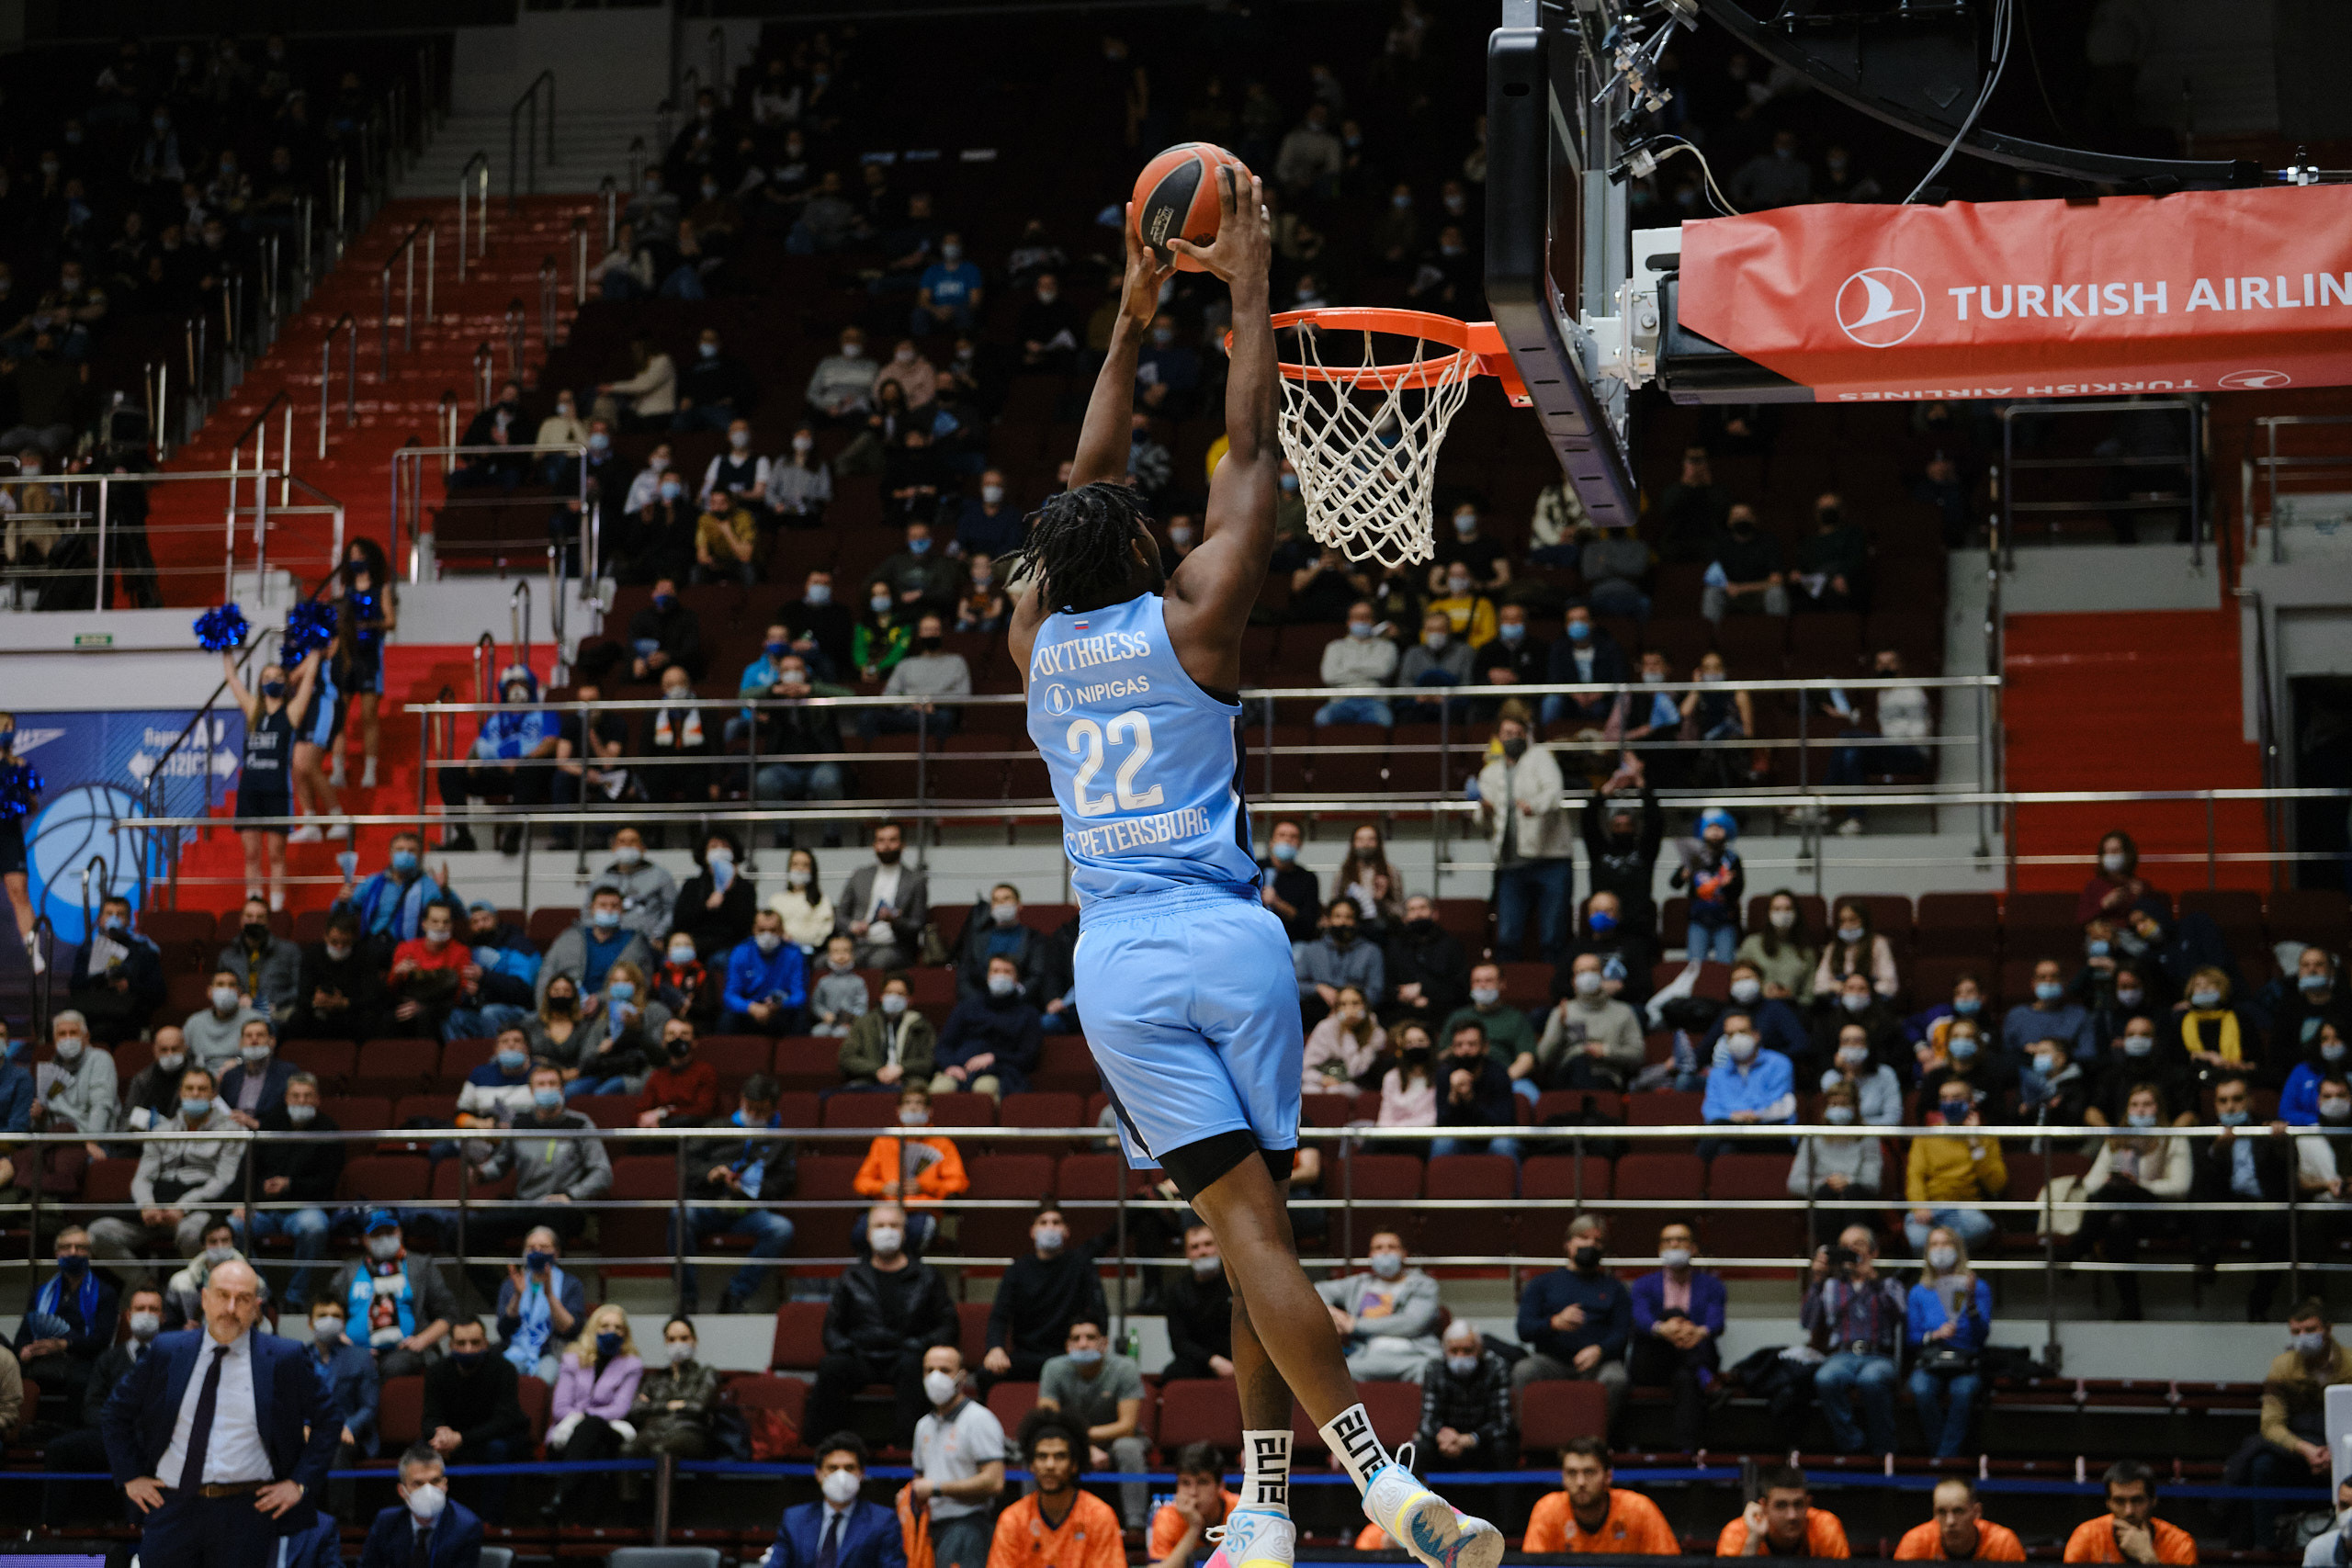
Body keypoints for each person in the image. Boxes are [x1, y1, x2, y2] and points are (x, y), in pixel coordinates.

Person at [1002, 169, 1495, 1568]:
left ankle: (1272, 1508)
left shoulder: (1033, 650)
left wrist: (1127, 318)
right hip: (1229, 941)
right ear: (1146, 549)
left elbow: (1078, 491)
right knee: (1264, 1235)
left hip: (1116, 960)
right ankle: (1367, 1481)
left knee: (1243, 1233)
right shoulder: (1198, 619)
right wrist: (1251, 281)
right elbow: (1253, 439)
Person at [98, 1258, 339, 1568]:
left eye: (243, 1299)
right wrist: (130, 1476)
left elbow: (329, 1420)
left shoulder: (284, 1357)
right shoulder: (167, 1350)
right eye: (223, 1295)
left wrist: (298, 1483)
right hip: (173, 1505)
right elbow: (115, 1412)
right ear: (205, 1299)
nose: (231, 1307)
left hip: (246, 1511)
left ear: (257, 1307)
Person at [810, 1201, 959, 1446]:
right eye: (879, 1225)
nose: (886, 1231)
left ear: (904, 1232)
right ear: (868, 1234)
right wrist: (845, 1347)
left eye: (893, 1225)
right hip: (860, 1356)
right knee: (831, 1367)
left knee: (914, 1367)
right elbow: (832, 1328)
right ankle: (825, 1448)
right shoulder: (851, 1276)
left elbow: (948, 1325)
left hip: (906, 1356)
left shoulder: (927, 1276)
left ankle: (907, 1450)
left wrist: (922, 1345)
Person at [87, 1066, 241, 1263]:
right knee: (98, 1232)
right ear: (181, 1093)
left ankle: (192, 1282)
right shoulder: (162, 1130)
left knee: (193, 1233)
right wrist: (147, 1205)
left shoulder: (231, 1131)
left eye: (202, 1089)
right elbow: (143, 1177)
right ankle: (143, 1280)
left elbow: (223, 1180)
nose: (195, 1094)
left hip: (198, 1208)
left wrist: (183, 1207)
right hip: (156, 1207)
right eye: (189, 1088)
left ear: (213, 1094)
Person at [677, 1074, 797, 1313]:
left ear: (773, 1108)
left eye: (760, 1110)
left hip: (749, 1211)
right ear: (741, 1100)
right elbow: (686, 1165)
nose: (753, 1114)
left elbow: (784, 1183)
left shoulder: (781, 1140)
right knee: (680, 1215)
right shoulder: (716, 1128)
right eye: (749, 1107)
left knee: (781, 1229)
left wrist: (751, 1188)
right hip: (710, 1205)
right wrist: (710, 1173)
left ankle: (735, 1294)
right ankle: (687, 1299)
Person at [2072, 1083, 2192, 1319]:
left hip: (2160, 1214)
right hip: (2124, 1217)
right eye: (2135, 1105)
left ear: (2159, 1108)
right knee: (2117, 1222)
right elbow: (2090, 1184)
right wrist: (2112, 1182)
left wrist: (2137, 1186)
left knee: (2120, 1191)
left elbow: (2180, 1187)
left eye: (2147, 1104)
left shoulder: (2173, 1138)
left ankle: (2078, 1245)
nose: (2141, 1110)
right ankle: (2131, 1305)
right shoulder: (2117, 1140)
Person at [2244, 1300, 2352, 1548]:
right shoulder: (2281, 1367)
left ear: (2328, 1329)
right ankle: (2267, 1548)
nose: (2303, 1337)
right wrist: (2307, 1450)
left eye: (2310, 1330)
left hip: (2347, 1450)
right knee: (2262, 1466)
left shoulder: (2350, 1363)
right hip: (2300, 1449)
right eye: (2296, 1331)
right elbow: (2271, 1424)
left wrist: (2339, 1453)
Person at [473, 1064, 612, 1257]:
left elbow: (603, 1173)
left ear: (562, 1090)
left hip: (563, 1209)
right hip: (525, 1207)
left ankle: (550, 1276)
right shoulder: (518, 1124)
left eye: (552, 1084)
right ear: (531, 1091)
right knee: (470, 1228)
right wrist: (480, 1173)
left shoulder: (580, 1123)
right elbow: (499, 1164)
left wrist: (571, 1196)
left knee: (552, 1220)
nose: (547, 1089)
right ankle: (496, 1278)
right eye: (541, 1084)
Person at [223, 646, 322, 909]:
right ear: (259, 683)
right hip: (249, 791)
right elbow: (232, 679)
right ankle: (254, 905)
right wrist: (225, 649)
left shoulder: (291, 712)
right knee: (251, 854)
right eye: (267, 677)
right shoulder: (253, 709)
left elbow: (308, 680)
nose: (273, 681)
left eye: (278, 676)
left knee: (277, 854)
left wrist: (315, 650)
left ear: (286, 682)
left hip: (277, 791)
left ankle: (277, 909)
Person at [1512, 1215, 1630, 1431]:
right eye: (1583, 1238)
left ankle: (1594, 1442)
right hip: (1552, 1362)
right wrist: (1554, 1323)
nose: (1591, 1245)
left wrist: (1600, 1350)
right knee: (1524, 1370)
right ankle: (1531, 1439)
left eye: (1598, 1241)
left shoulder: (1615, 1288)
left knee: (1617, 1378)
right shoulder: (1542, 1284)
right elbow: (1524, 1329)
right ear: (1568, 1244)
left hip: (1599, 1364)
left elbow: (1622, 1332)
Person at [2193, 1072, 2292, 1321]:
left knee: (2281, 1223)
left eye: (2237, 1099)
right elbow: (2198, 1182)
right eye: (2223, 1100)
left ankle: (2259, 1301)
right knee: (2205, 1190)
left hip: (2259, 1207)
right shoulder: (2204, 1132)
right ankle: (2206, 1256)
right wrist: (2217, 1152)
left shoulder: (2268, 1127)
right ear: (2216, 1105)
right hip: (2222, 1210)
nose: (2230, 1106)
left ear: (2250, 1101)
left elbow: (2288, 1177)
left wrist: (2281, 1145)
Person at [1476, 707, 1574, 961]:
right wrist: (1484, 811)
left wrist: (1534, 806)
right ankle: (1510, 983)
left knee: (1552, 938)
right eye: (1508, 733)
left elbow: (1554, 793)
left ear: (1527, 735)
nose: (1513, 738)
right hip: (1511, 865)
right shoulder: (1489, 773)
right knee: (1507, 938)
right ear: (1498, 737)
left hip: (1550, 861)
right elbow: (1484, 822)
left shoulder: (1540, 758)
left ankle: (1553, 984)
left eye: (1518, 733)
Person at [1801, 1224, 1905, 1456]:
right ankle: (1852, 1444)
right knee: (1826, 1378)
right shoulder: (1832, 1286)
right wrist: (1817, 1279)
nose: (1851, 1250)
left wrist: (1873, 1280)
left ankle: (1884, 1448)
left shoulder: (1889, 1284)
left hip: (1879, 1355)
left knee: (1871, 1379)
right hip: (1843, 1355)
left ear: (1873, 1252)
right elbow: (1807, 1321)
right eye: (1845, 1246)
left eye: (1858, 1244)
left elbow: (1899, 1316)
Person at [1037, 1317, 1151, 1529]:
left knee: (1128, 1447)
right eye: (1076, 1338)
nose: (1083, 1344)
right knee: (1039, 1448)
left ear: (1104, 1344)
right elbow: (1047, 1421)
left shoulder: (1125, 1367)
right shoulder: (1053, 1368)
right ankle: (1034, 1520)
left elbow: (1126, 1426)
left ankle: (1136, 1525)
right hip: (1071, 1442)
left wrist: (1081, 1439)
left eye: (1090, 1337)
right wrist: (1084, 1446)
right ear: (1068, 1346)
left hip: (1115, 1442)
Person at [241, 1074, 341, 1311]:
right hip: (266, 1208)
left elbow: (328, 1182)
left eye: (307, 1096)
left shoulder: (330, 1130)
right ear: (286, 1098)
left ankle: (295, 1298)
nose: (301, 1101)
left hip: (305, 1208)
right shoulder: (270, 1125)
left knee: (314, 1227)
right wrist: (253, 1196)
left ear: (317, 1099)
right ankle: (262, 1294)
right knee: (232, 1227)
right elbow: (249, 1171)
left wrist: (290, 1185)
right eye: (296, 1096)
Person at [1628, 1221, 1726, 1453]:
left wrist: (1697, 1332)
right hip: (1653, 1360)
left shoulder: (1712, 1285)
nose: (1674, 1245)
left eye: (1680, 1240)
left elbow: (1716, 1323)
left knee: (1686, 1378)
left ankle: (1686, 1450)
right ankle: (1705, 1377)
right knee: (1672, 1315)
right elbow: (1640, 1319)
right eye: (1668, 1241)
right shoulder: (1643, 1284)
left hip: (1689, 1358)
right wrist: (1664, 1329)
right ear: (1660, 1249)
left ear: (1693, 1248)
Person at [984, 1207, 1109, 1389]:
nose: (1050, 1228)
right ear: (1032, 1232)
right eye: (1043, 1223)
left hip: (1069, 1354)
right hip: (1026, 1355)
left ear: (1066, 1231)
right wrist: (995, 1348)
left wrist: (1095, 1343)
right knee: (986, 1374)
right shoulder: (1017, 1270)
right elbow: (999, 1316)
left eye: (1056, 1222)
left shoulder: (1080, 1265)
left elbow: (1099, 1310)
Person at [421, 1318, 529, 1524]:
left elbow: (504, 1421)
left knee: (497, 1449)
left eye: (475, 1342)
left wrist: (461, 1438)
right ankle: (431, 1521)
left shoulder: (504, 1369)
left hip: (494, 1438)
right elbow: (429, 1418)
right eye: (461, 1343)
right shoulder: (436, 1371)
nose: (468, 1349)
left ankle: (490, 1523)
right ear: (451, 1345)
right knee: (422, 1451)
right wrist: (440, 1434)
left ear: (485, 1344)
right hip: (452, 1440)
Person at [328, 1211, 458, 1379]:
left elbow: (448, 1313)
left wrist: (422, 1340)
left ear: (400, 1233)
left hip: (406, 1351)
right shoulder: (350, 1271)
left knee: (394, 1366)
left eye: (389, 1232)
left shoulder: (421, 1266)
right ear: (365, 1239)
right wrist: (346, 1343)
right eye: (377, 1234)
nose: (384, 1238)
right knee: (352, 1364)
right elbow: (327, 1308)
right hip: (357, 1350)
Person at [542, 1305, 643, 1522]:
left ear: (625, 1332)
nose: (611, 1332)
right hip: (566, 1435)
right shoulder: (572, 1359)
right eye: (604, 1326)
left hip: (609, 1430)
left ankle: (561, 1498)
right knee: (595, 1450)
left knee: (593, 1427)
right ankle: (586, 1526)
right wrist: (583, 1419)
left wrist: (585, 1416)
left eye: (618, 1327)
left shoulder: (632, 1364)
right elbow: (560, 1408)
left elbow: (620, 1409)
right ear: (592, 1329)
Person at [910, 1345, 1007, 1568]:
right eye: (929, 1370)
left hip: (967, 1525)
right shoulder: (923, 1425)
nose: (935, 1377)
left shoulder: (979, 1419)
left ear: (961, 1377)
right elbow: (920, 1479)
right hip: (929, 1526)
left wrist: (937, 1489)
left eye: (945, 1370)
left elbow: (995, 1482)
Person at [989, 1411, 1124, 1568]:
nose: (1050, 1465)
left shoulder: (1099, 1516)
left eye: (1059, 1457)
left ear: (1074, 1465)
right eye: (1042, 1456)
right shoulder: (1013, 1519)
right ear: (1032, 1465)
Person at [14, 1226, 117, 1423]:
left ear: (90, 1254)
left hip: (83, 1358)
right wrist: (24, 1349)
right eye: (66, 1247)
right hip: (42, 1356)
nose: (73, 1252)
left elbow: (102, 1339)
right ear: (57, 1254)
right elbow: (24, 1334)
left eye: (80, 1247)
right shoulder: (41, 1292)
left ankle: (68, 1431)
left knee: (81, 1381)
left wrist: (64, 1344)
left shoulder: (105, 1293)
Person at [1907, 1225, 1993, 1459]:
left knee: (1963, 1391)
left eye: (1946, 1243)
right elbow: (1912, 1338)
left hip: (1965, 1360)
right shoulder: (1919, 1291)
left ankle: (1943, 1458)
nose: (1940, 1249)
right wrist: (1933, 1335)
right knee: (1921, 1389)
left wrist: (1971, 1302)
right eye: (1934, 1244)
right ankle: (1943, 1455)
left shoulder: (1978, 1287)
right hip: (1931, 1359)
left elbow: (1982, 1335)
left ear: (1958, 1249)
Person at [763, 1431, 907, 1568]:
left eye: (849, 1468)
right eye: (832, 1468)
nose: (841, 1476)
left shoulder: (883, 1521)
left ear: (862, 1473)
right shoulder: (795, 1519)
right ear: (818, 1474)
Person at [1315, 1231, 1444, 1382]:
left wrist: (1355, 1325)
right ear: (1371, 1255)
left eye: (1392, 1247)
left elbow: (1412, 1323)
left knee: (1435, 1375)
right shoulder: (1358, 1284)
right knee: (1333, 1377)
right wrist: (1332, 1312)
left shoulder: (1424, 1285)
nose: (1385, 1252)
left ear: (1404, 1254)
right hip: (1366, 1356)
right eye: (1378, 1248)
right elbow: (1315, 1291)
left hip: (1414, 1357)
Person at [616, 1317, 718, 1503]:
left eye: (684, 1338)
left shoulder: (706, 1373)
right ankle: (630, 1509)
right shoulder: (654, 1379)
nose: (678, 1344)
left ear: (694, 1340)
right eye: (671, 1339)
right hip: (654, 1430)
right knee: (628, 1449)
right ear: (665, 1342)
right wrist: (673, 1405)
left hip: (688, 1431)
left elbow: (698, 1407)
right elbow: (636, 1409)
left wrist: (654, 1406)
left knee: (662, 1449)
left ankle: (663, 1510)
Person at [1524, 1437, 1678, 1553]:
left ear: (1608, 1476)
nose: (1580, 1482)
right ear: (1563, 1477)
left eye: (1589, 1472)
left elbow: (1670, 1563)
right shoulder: (1547, 1510)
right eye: (1572, 1473)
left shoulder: (1639, 1509)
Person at [1905, 1087, 2007, 1251]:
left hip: (1966, 1211)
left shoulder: (1985, 1137)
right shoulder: (1925, 1136)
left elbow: (1996, 1185)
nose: (1949, 1103)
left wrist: (1974, 1142)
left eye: (1956, 1098)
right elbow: (1915, 1177)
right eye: (1944, 1098)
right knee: (1918, 1239)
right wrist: (1919, 1207)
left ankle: (1941, 1252)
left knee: (1979, 1227)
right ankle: (1949, 1256)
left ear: (1971, 1103)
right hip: (1932, 1209)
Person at [303, 1297, 380, 1506]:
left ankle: (341, 1519)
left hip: (349, 1435)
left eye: (336, 1316)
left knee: (335, 1445)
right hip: (309, 1432)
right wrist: (303, 1424)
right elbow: (291, 1401)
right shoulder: (297, 1357)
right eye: (322, 1315)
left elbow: (369, 1405)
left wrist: (348, 1426)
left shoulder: (361, 1358)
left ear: (344, 1323)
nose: (329, 1320)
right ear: (310, 1323)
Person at [355, 1443, 481, 1568]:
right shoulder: (386, 1522)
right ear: (402, 1491)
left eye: (435, 1481)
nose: (428, 1490)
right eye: (418, 1484)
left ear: (445, 1485)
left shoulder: (466, 1527)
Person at [1413, 1318, 1515, 1470]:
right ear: (1445, 1351)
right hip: (1445, 1445)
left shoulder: (1496, 1367)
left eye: (1467, 1351)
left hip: (1482, 1443)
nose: (1460, 1356)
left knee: (1503, 1447)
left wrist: (1470, 1439)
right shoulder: (1434, 1369)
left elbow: (1503, 1422)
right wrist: (1444, 1437)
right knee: (1420, 1447)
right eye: (1454, 1351)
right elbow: (1427, 1421)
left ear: (1479, 1350)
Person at [933, 956, 1041, 1096]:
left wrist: (995, 1057)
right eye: (995, 971)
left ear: (1017, 979)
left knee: (984, 1088)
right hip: (959, 1068)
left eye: (1007, 972)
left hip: (1001, 1072)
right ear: (988, 976)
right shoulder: (966, 1008)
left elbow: (1028, 1057)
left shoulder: (1028, 1014)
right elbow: (943, 1045)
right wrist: (951, 1065)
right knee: (941, 1088)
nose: (1000, 976)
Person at [67, 894, 165, 1044]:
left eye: (120, 915)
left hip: (127, 1016)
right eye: (109, 914)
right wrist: (98, 981)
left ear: (129, 920)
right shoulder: (87, 951)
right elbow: (75, 986)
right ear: (101, 919)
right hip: (92, 1011)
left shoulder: (144, 952)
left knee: (105, 1031)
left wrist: (129, 985)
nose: (114, 918)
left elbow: (158, 991)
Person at [2062, 1461, 2198, 1563]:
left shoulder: (2180, 1544)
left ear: (2153, 1500)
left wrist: (2148, 1558)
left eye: (2137, 1500)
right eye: (2119, 1501)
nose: (2129, 1511)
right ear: (2108, 1503)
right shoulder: (2086, 1536)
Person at [494, 1225, 583, 1379]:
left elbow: (570, 1330)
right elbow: (503, 1331)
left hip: (553, 1353)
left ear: (556, 1253)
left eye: (544, 1247)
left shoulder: (571, 1284)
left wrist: (549, 1295)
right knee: (503, 1375)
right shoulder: (511, 1284)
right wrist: (517, 1296)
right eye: (531, 1248)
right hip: (516, 1350)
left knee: (544, 1379)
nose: (537, 1252)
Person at [838, 821, 930, 969]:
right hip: (858, 944)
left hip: (894, 947)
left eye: (892, 840)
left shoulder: (915, 880)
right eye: (881, 840)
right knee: (824, 961)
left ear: (903, 845)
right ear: (874, 845)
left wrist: (895, 921)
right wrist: (853, 926)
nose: (886, 845)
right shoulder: (860, 875)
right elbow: (840, 915)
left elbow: (918, 924)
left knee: (878, 962)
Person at [1716, 1466, 1849, 1558]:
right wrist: (1753, 1541)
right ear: (1764, 1507)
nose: (1792, 1516)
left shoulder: (1824, 1525)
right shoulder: (1737, 1532)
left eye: (1798, 1504)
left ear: (1808, 1503)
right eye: (1781, 1506)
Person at [1160, 1224, 1237, 1380]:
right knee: (1172, 1373)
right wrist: (1213, 1361)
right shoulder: (1177, 1291)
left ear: (1220, 1248)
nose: (1202, 1251)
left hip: (1237, 1358)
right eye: (1195, 1247)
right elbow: (1179, 1342)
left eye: (1208, 1244)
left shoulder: (1237, 1286)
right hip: (1199, 1362)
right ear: (1187, 1254)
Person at [1148, 1443, 1239, 1568]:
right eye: (1185, 1483)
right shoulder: (1167, 1516)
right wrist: (1194, 1527)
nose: (1193, 1492)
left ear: (1220, 1486)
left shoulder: (1240, 1511)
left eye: (1203, 1482)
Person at [1672, 809, 1745, 964]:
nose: (1715, 832)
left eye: (1719, 828)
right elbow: (1674, 884)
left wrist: (1728, 885)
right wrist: (1683, 875)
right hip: (1698, 920)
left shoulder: (1732, 859)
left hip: (1725, 920)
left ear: (1727, 830)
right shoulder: (1694, 857)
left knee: (1725, 964)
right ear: (1702, 830)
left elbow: (1738, 890)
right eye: (1710, 827)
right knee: (1696, 964)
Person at [215, 897, 300, 1023]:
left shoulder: (289, 951)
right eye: (249, 917)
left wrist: (268, 1004)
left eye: (260, 917)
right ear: (241, 920)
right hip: (239, 1014)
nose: (254, 921)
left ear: (268, 922)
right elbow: (220, 990)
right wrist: (237, 999)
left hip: (278, 1013)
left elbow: (299, 988)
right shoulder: (227, 956)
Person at [1895, 1478, 2026, 1562]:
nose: (1950, 1521)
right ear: (1934, 1513)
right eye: (1942, 1512)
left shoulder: (2003, 1543)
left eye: (1958, 1511)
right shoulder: (1915, 1542)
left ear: (1977, 1512)